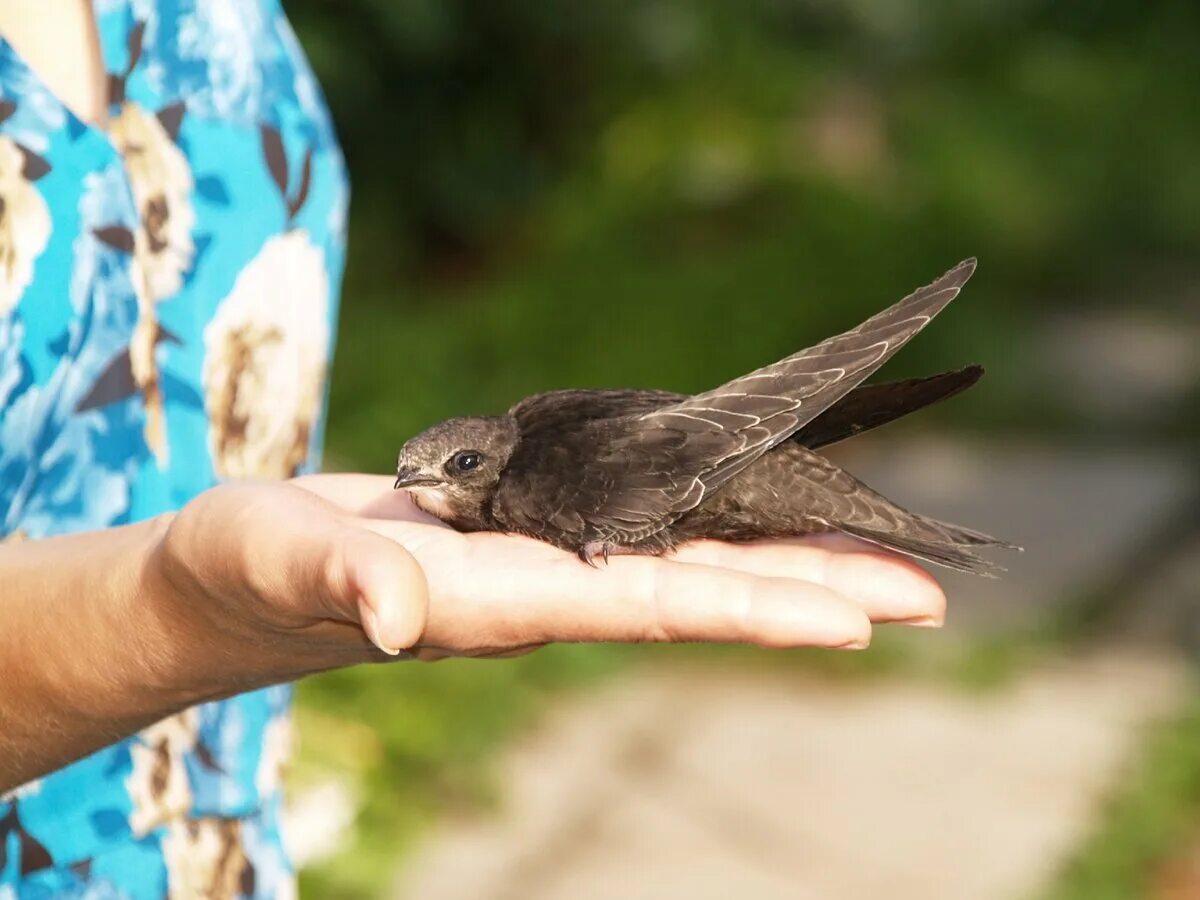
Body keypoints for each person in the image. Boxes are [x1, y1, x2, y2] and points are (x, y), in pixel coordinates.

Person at [0, 1, 945, 895]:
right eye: (423, 475)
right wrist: (173, 610)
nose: (417, 487)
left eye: (448, 471)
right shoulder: (523, 474)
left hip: (217, 844)